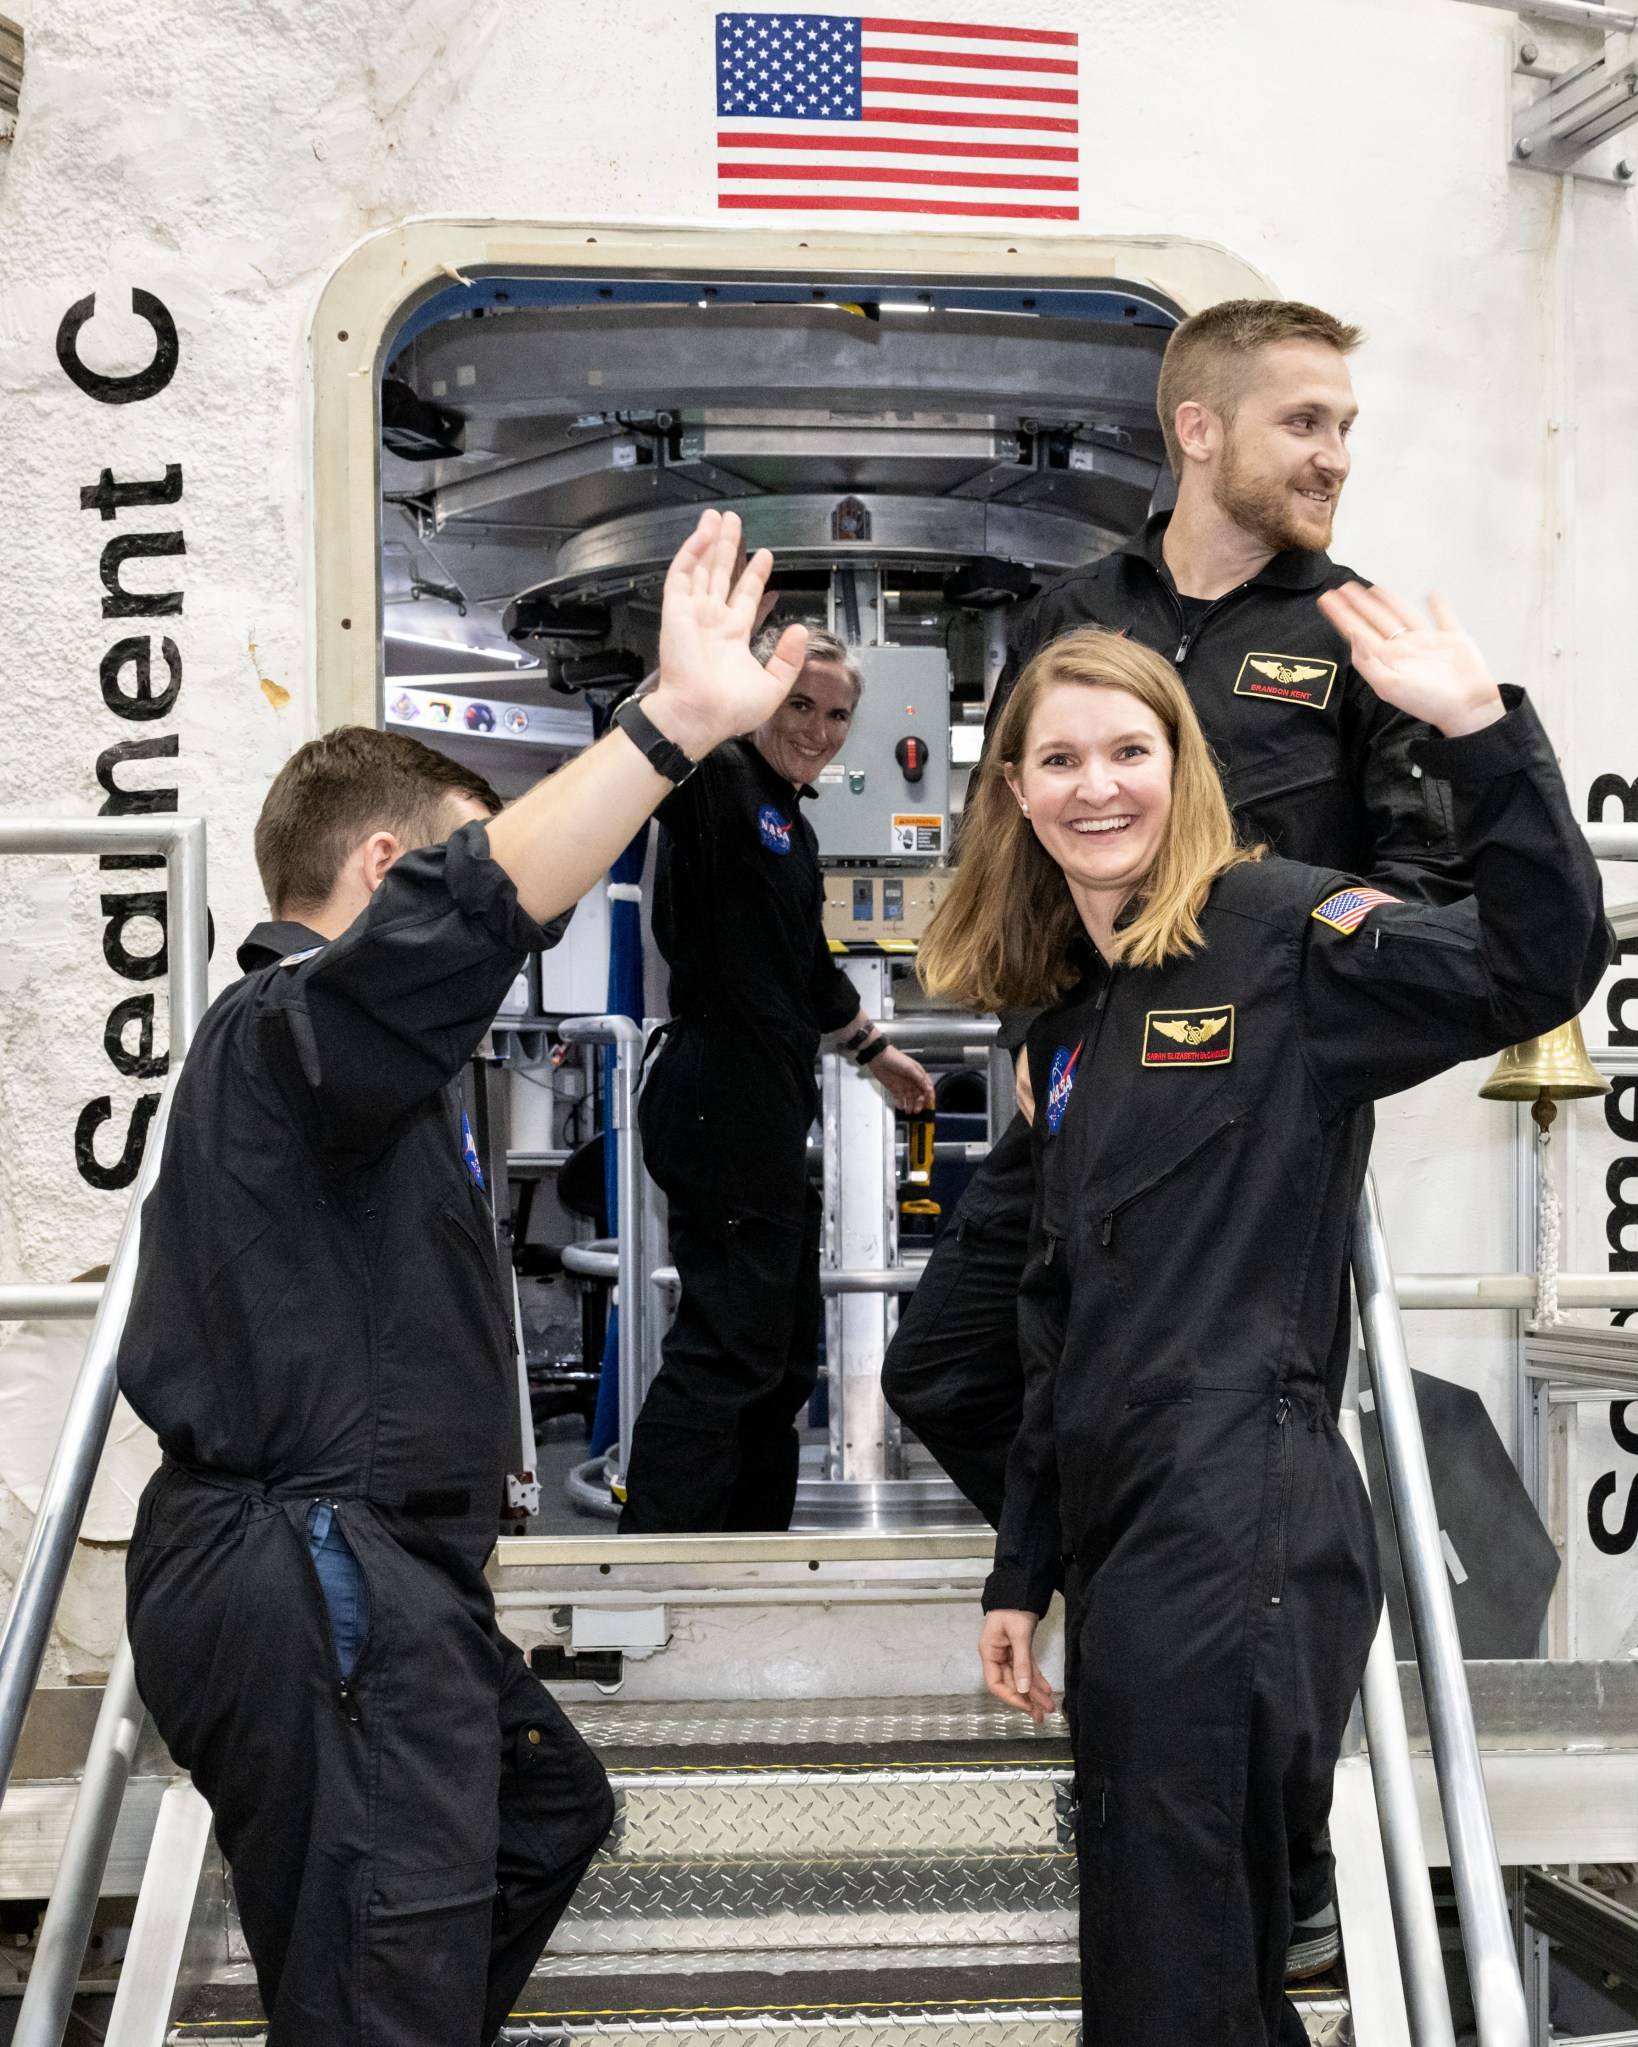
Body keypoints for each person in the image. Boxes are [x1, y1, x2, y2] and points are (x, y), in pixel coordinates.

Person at [118, 510, 814, 2047]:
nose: (528, 917)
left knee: (540, 1810)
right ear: (384, 866)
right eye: (478, 870)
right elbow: (461, 919)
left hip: (373, 1571)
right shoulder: (290, 1025)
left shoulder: (347, 1077)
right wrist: (673, 724)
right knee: (386, 1972)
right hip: (317, 1565)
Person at [916, 593, 1608, 2045]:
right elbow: (1052, 1318)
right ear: (1013, 792)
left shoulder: (1289, 932)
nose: (1094, 785)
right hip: (1124, 1531)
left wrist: (1481, 733)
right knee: (1174, 1969)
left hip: (1240, 1512)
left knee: (1173, 1980)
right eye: (1056, 760)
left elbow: (1534, 963)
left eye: (1127, 750)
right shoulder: (1064, 1018)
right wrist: (1020, 1563)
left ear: (1182, 765)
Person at [884, 299, 1462, 1534]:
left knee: (1226, 1416)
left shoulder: (1357, 638)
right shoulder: (1070, 617)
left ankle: (1210, 1617)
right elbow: (1012, 855)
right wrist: (1041, 1038)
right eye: (1304, 422)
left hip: (1250, 1117)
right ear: (1198, 430)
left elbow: (1432, 899)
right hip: (1086, 1090)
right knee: (944, 1365)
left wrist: (1315, 1036)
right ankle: (1124, 1581)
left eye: (1346, 427)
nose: (1336, 456)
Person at [619, 625, 934, 1533]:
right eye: (800, 704)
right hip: (717, 1094)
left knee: (784, 1356)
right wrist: (694, 676)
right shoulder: (716, 782)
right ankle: (658, 1565)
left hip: (762, 1106)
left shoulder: (788, 822)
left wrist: (878, 1053)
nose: (821, 728)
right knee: (727, 1349)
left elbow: (808, 966)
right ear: (758, 697)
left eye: (838, 714)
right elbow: (631, 727)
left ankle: (751, 1546)